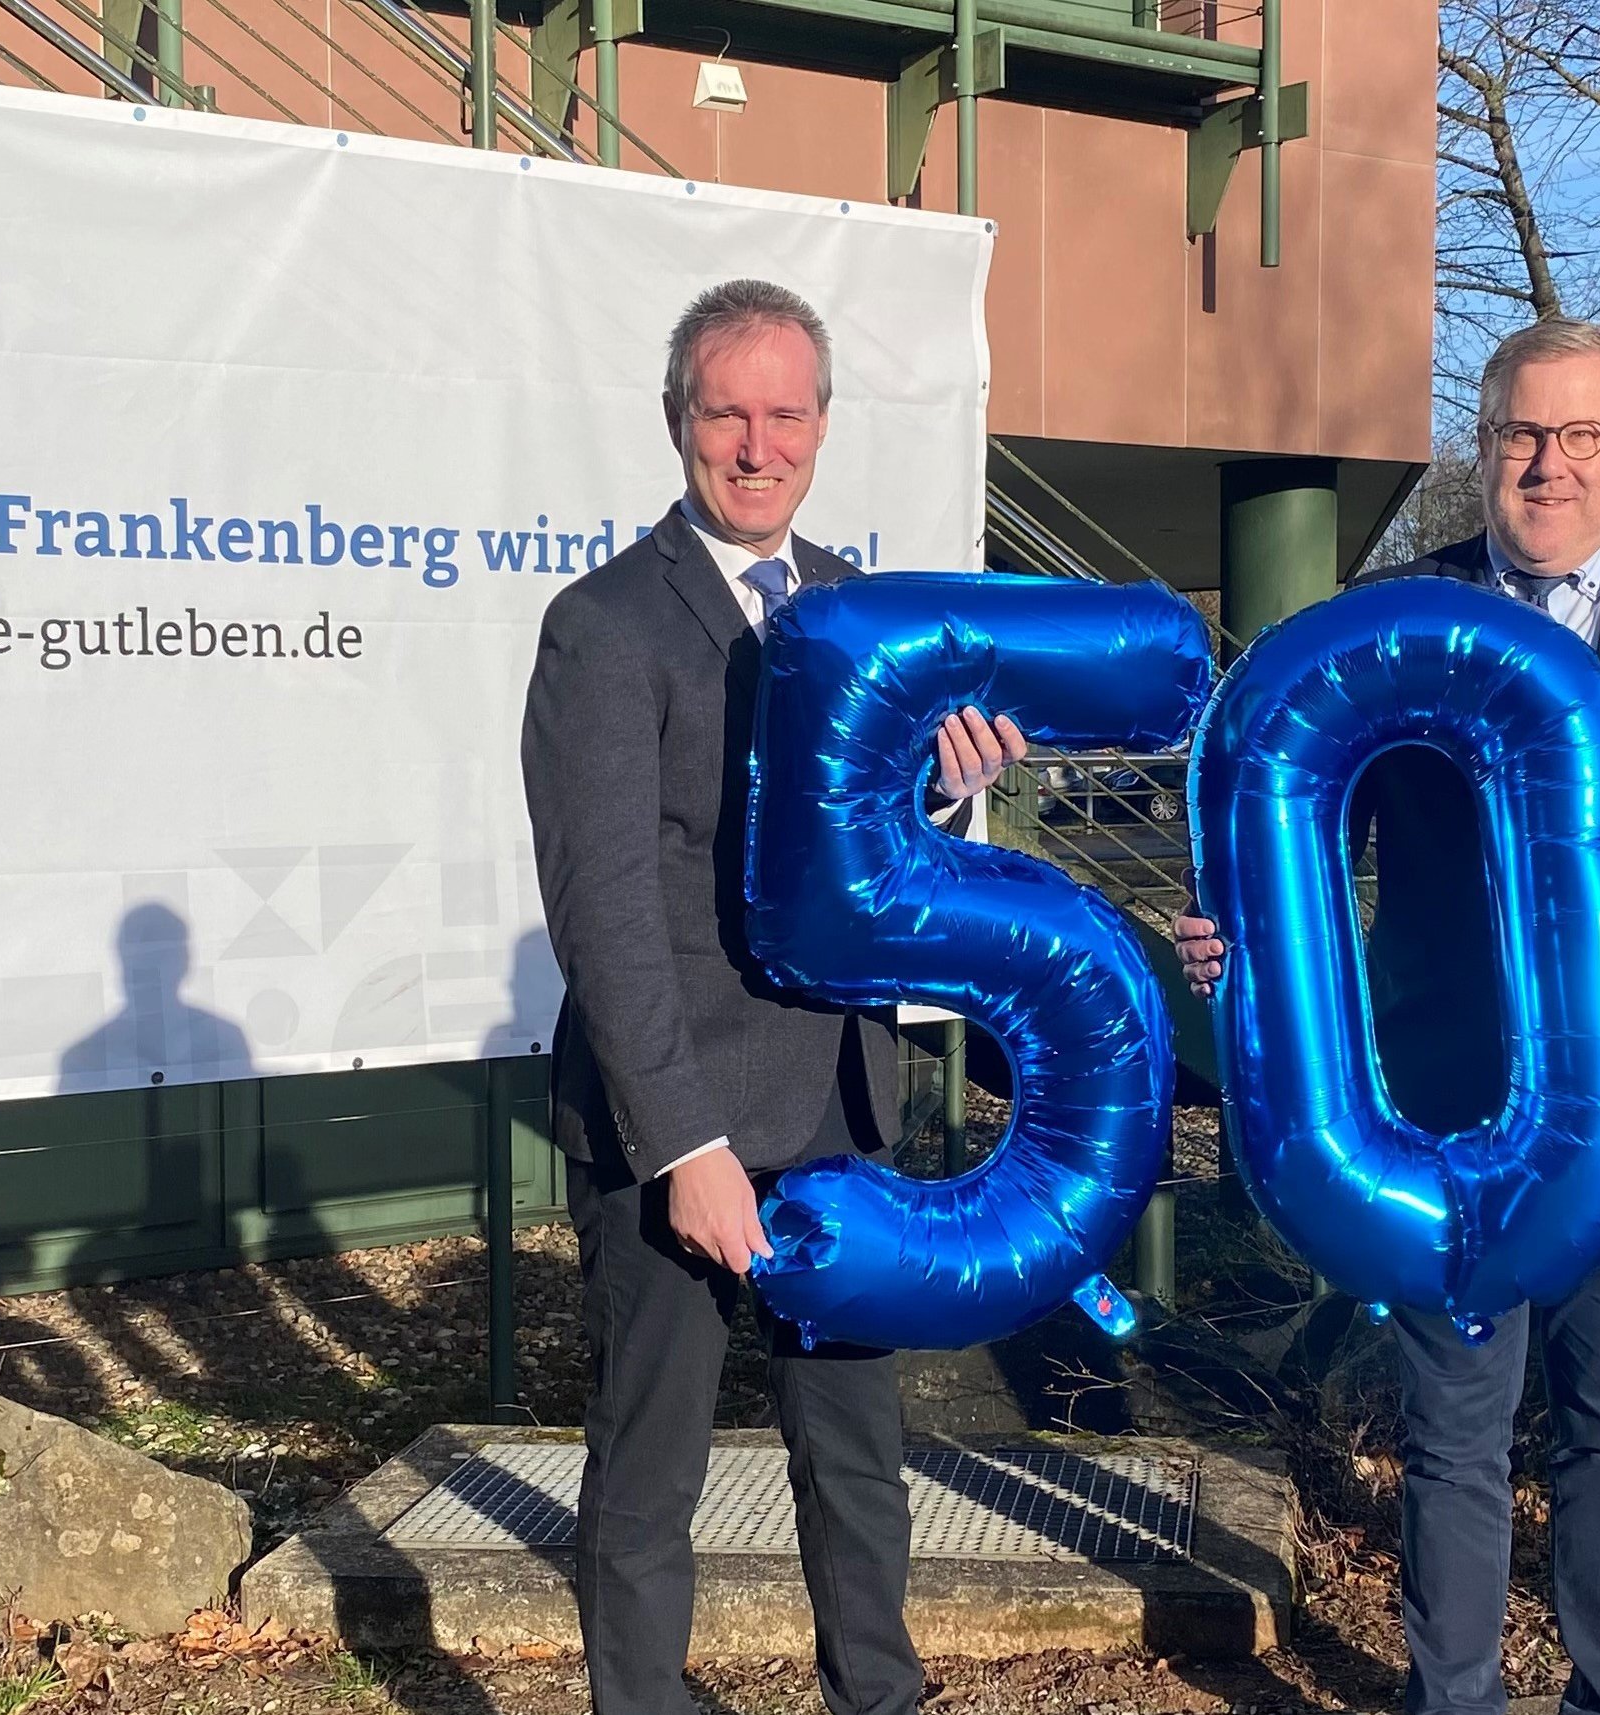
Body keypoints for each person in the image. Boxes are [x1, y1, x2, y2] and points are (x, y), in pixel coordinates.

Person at [1178, 316, 1600, 1715]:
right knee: (1456, 1436)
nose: (1550, 465)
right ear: (1484, 447)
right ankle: (1452, 1700)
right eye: (1523, 435)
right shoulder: (1398, 612)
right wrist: (1241, 934)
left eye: (1580, 435)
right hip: (1432, 1107)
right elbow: (1302, 826)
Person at [520, 278, 1025, 1715]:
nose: (758, 444)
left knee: (858, 1462)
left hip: (838, 1111)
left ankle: (882, 1697)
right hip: (672, 1135)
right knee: (651, 1469)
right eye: (728, 412)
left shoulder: (862, 613)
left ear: (820, 425)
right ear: (680, 420)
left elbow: (873, 862)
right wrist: (684, 1149)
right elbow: (606, 910)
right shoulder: (605, 627)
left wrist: (943, 785)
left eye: (785, 413)